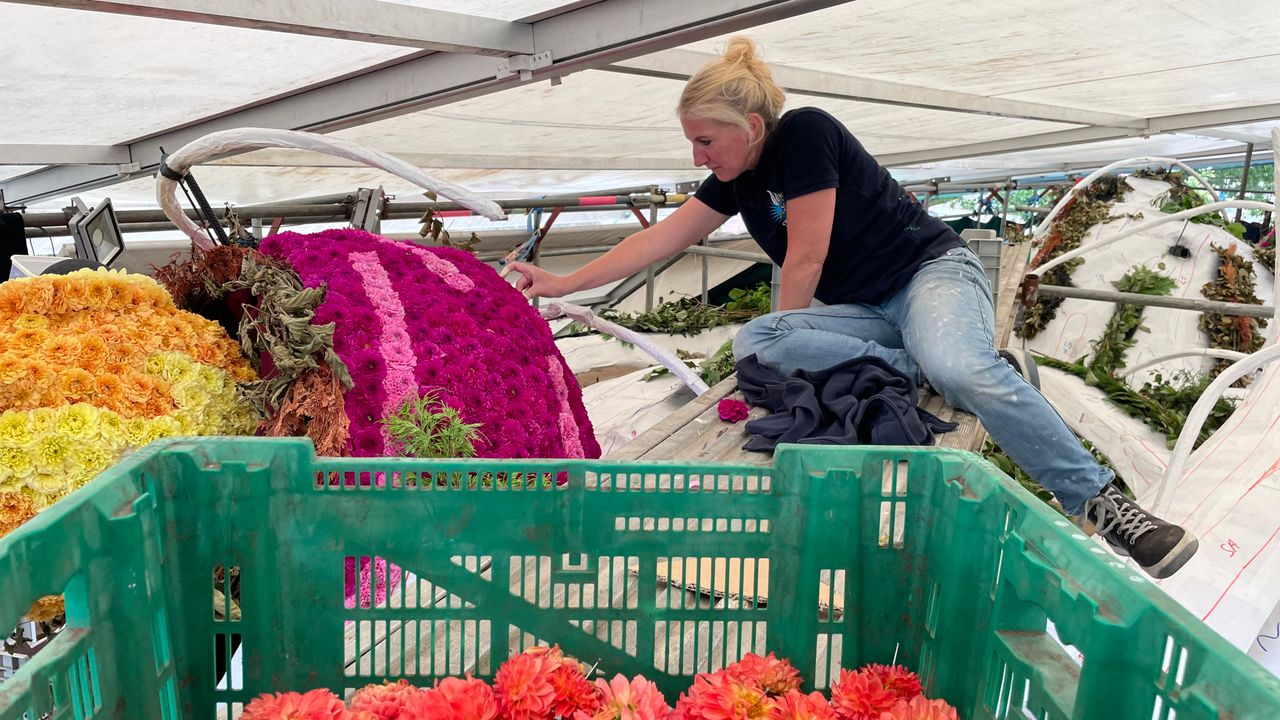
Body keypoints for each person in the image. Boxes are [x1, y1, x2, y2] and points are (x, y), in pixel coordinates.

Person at [506, 37, 1198, 579]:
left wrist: (790, 356)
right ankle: (930, 362)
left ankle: (1101, 502)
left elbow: (805, 258)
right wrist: (562, 284)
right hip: (867, 312)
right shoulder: (735, 178)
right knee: (756, 342)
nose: (696, 155)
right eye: (692, 141)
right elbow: (662, 238)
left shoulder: (804, 134)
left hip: (926, 276)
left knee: (954, 369)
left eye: (705, 140)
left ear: (751, 125)